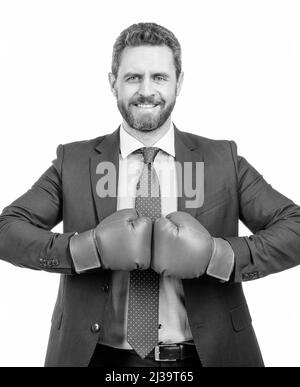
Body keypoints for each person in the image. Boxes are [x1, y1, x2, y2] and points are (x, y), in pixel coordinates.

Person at [0, 22, 300, 368]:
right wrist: (87, 249)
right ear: (112, 82)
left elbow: (293, 227)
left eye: (159, 77)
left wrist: (218, 256)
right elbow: (8, 230)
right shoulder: (75, 161)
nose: (146, 90)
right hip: (95, 358)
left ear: (179, 82)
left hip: (206, 356)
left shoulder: (222, 160)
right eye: (132, 78)